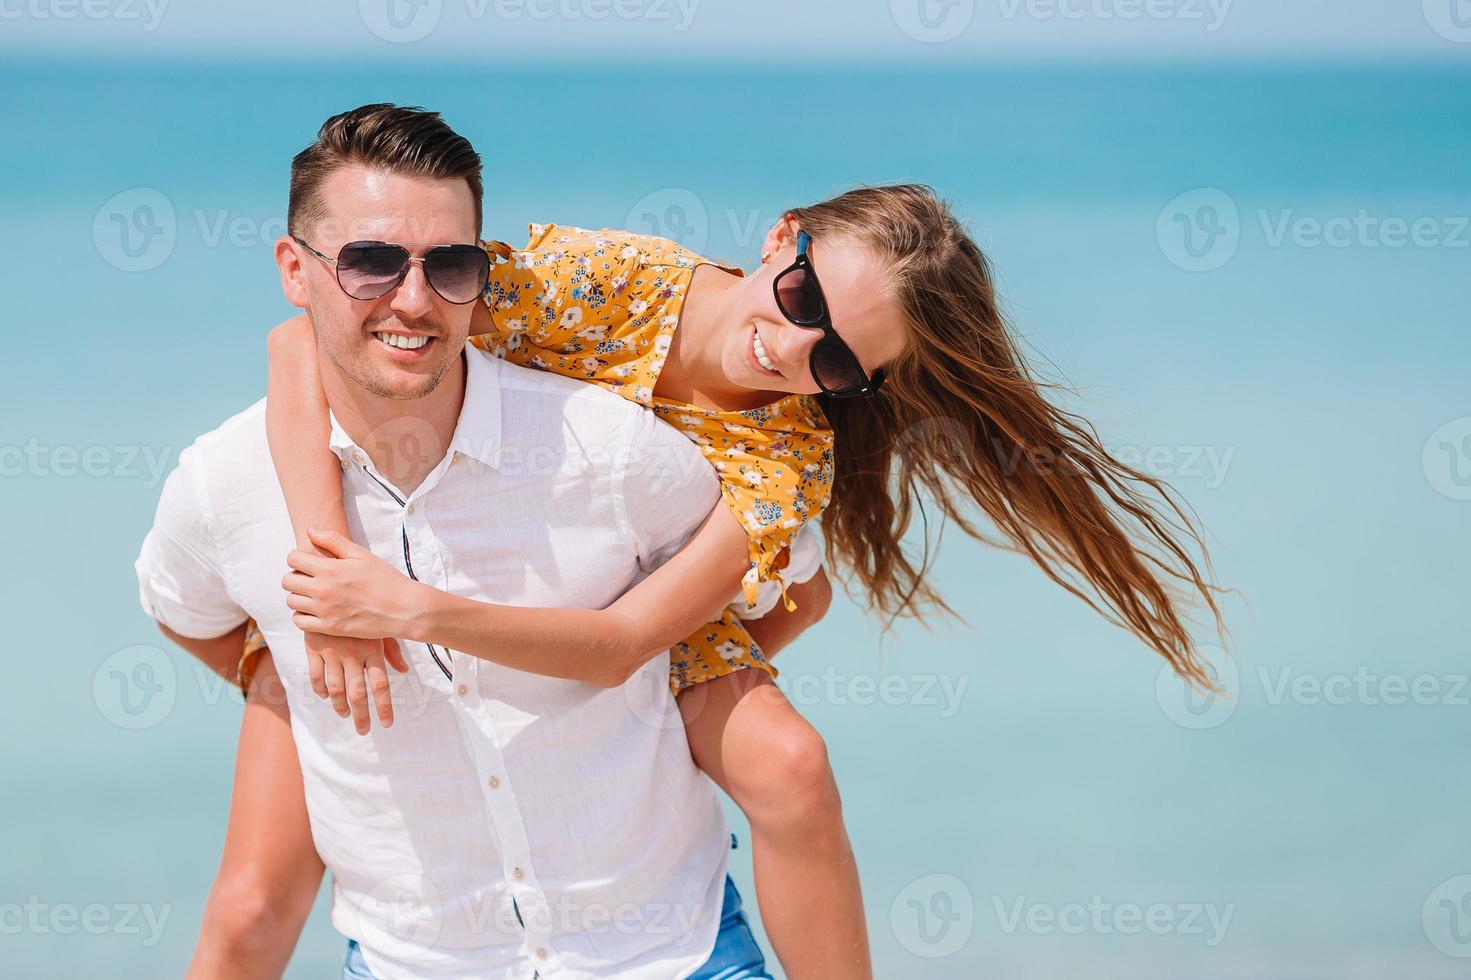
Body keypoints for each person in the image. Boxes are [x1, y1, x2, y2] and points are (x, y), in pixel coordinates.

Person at [138, 103, 797, 980]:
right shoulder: (221, 485)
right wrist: (289, 668)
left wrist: (639, 702)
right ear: (295, 272)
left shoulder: (609, 448)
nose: (414, 300)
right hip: (418, 960)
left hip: (670, 952)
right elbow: (184, 611)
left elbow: (790, 585)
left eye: (449, 264)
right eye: (370, 263)